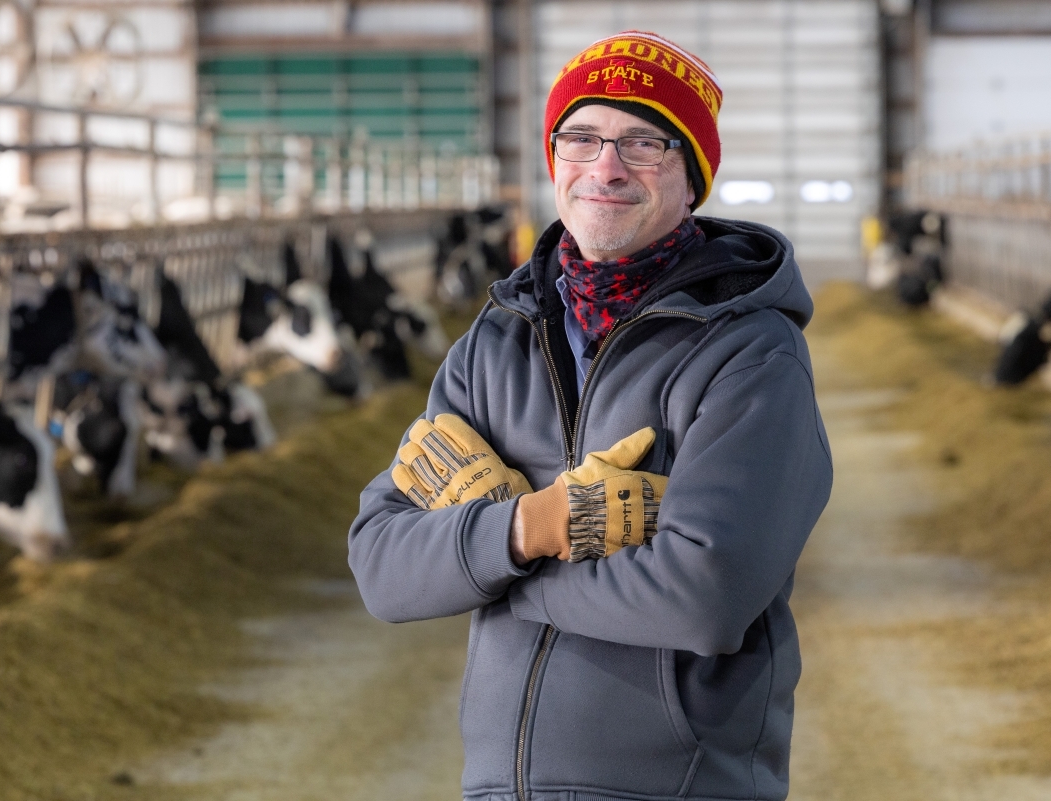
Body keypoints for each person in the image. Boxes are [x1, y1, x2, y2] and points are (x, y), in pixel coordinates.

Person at [349, 30, 832, 801]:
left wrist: (491, 574)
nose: (605, 167)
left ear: (691, 177)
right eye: (581, 138)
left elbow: (704, 596)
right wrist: (530, 526)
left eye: (643, 143)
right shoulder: (499, 338)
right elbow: (380, 565)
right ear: (554, 159)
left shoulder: (748, 353)